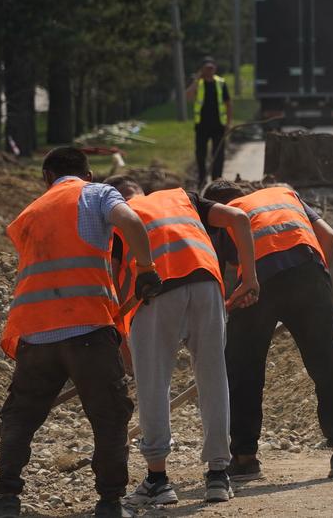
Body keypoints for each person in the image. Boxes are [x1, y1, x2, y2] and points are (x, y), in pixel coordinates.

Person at [0, 147, 160, 518]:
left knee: (20, 416)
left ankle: (6, 497)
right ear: (88, 173)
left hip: (34, 334)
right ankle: (110, 502)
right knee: (109, 417)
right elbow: (131, 223)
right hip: (87, 329)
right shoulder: (97, 194)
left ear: (47, 177)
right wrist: (146, 268)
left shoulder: (28, 214)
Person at [103, 176, 260, 507]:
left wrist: (121, 342)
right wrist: (248, 277)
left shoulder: (117, 216)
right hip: (206, 283)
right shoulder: (182, 198)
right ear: (142, 189)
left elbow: (111, 282)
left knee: (154, 385)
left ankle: (158, 480)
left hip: (155, 293)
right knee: (214, 378)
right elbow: (240, 218)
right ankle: (219, 474)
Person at [202, 180, 333, 483]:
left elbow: (218, 274)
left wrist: (232, 307)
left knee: (244, 372)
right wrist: (316, 283)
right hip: (308, 273)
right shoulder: (285, 192)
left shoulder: (223, 216)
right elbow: (330, 237)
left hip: (256, 284)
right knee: (326, 366)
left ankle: (246, 459)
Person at [185, 57, 232, 187]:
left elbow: (228, 104)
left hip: (218, 125)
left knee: (218, 154)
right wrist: (196, 80)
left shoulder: (221, 83)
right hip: (202, 126)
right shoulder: (198, 83)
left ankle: (217, 180)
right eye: (207, 68)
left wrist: (228, 123)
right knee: (200, 154)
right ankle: (202, 180)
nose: (209, 70)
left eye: (212, 68)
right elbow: (188, 96)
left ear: (215, 69)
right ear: (202, 69)